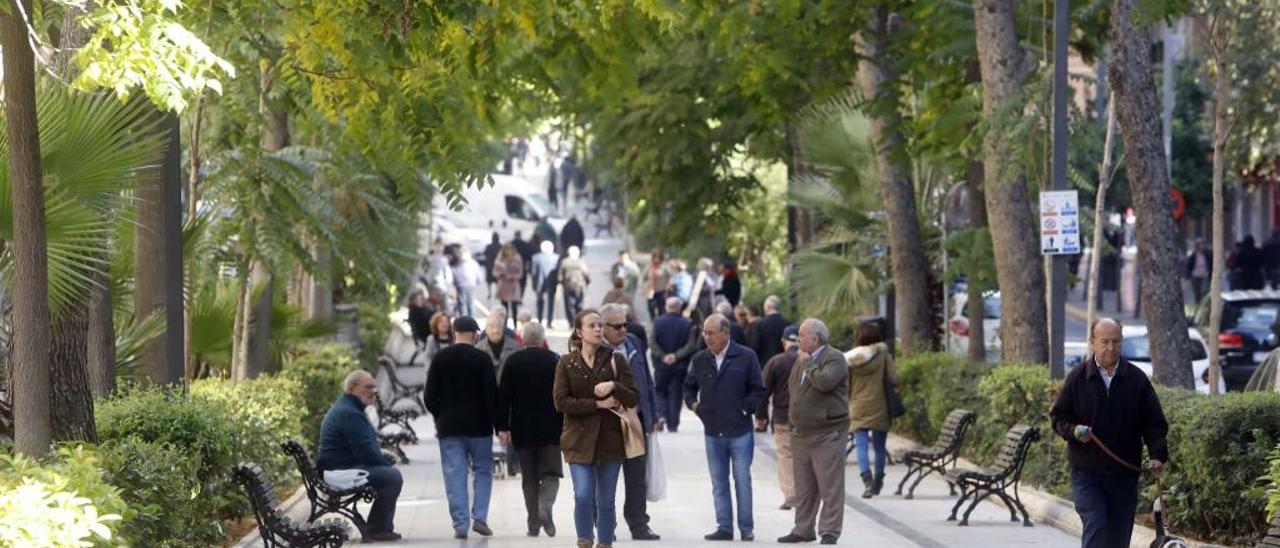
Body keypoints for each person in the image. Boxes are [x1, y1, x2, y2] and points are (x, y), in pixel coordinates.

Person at [1050, 318, 1169, 548]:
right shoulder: (1077, 377)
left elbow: (1154, 423)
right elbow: (1058, 418)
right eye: (1105, 342)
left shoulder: (1136, 380)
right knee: (1096, 523)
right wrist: (1074, 431)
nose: (1111, 348)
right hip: (1087, 473)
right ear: (1092, 342)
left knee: (1118, 536)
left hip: (1124, 474)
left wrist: (1157, 455)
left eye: (1116, 342)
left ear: (1121, 342)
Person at [553, 309, 641, 548]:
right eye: (592, 325)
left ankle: (604, 543)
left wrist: (614, 385)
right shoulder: (566, 363)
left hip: (610, 441)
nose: (598, 329)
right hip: (577, 440)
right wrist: (598, 403)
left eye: (600, 325)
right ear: (579, 332)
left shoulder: (615, 359)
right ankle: (584, 540)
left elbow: (633, 397)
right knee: (582, 495)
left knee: (606, 500)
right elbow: (560, 402)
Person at [683, 314, 765, 542]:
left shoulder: (746, 356)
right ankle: (724, 527)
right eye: (704, 333)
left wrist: (745, 409)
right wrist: (695, 406)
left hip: (740, 430)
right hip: (712, 431)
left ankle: (746, 528)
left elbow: (758, 389)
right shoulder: (700, 359)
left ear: (726, 334)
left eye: (711, 333)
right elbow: (688, 387)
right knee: (719, 482)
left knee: (742, 480)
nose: (706, 337)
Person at [423, 316, 499, 539]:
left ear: (454, 332)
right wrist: (497, 423)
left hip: (449, 428)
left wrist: (440, 415)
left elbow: (429, 396)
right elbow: (491, 396)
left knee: (454, 474)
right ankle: (480, 517)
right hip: (480, 428)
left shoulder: (440, 357)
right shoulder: (483, 359)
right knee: (483, 471)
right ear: (475, 334)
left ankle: (460, 523)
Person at [779, 318, 849, 545]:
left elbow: (825, 382)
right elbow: (794, 389)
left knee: (829, 486)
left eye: (801, 335)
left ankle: (830, 530)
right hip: (801, 433)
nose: (798, 339)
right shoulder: (802, 359)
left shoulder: (834, 358)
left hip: (827, 433)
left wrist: (808, 363)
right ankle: (803, 529)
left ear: (815, 338)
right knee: (805, 488)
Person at [315, 371, 403, 542]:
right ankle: (377, 529)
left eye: (374, 387)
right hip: (337, 472)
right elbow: (366, 452)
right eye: (368, 387)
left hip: (340, 467)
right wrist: (385, 465)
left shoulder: (350, 408)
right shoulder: (349, 413)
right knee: (391, 477)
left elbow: (366, 449)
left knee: (388, 474)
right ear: (352, 388)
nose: (373, 391)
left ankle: (379, 527)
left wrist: (382, 463)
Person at [601, 304, 662, 541]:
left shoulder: (634, 343)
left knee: (636, 477)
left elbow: (647, 379)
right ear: (604, 327)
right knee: (607, 478)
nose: (623, 330)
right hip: (608, 423)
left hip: (636, 421)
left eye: (625, 324)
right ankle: (606, 526)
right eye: (617, 326)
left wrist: (654, 413)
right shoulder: (595, 350)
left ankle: (639, 525)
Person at [497, 322, 564, 537]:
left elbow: (504, 397)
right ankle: (546, 505)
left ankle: (533, 524)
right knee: (552, 473)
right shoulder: (555, 360)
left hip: (522, 429)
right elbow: (563, 395)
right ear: (542, 338)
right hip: (551, 428)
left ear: (522, 339)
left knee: (530, 478)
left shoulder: (513, 361)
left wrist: (503, 427)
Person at [844, 323, 897, 499]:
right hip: (879, 405)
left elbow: (845, 383)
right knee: (880, 446)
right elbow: (894, 377)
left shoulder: (850, 359)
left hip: (857, 405)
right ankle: (878, 481)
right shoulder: (883, 355)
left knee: (861, 445)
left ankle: (866, 482)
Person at [755, 325, 801, 510]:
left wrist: (761, 416)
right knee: (804, 456)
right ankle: (806, 494)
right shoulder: (810, 361)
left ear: (784, 342)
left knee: (786, 456)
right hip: (808, 419)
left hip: (783, 417)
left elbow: (763, 391)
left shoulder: (776, 362)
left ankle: (791, 494)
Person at [651, 297, 695, 433]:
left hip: (661, 364)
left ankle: (661, 415)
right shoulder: (687, 323)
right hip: (679, 365)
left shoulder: (657, 322)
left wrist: (663, 356)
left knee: (660, 390)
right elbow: (691, 344)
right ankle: (673, 423)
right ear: (679, 307)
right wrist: (676, 356)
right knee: (676, 393)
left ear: (666, 306)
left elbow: (652, 342)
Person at [493, 243, 525, 328]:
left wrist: (512, 276)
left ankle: (515, 326)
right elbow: (495, 272)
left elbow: (520, 273)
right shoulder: (500, 259)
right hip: (503, 285)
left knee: (514, 308)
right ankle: (505, 326)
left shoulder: (517, 259)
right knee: (504, 308)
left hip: (513, 285)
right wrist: (500, 274)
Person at [752, 296, 791, 366]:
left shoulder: (759, 325)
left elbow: (755, 346)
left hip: (764, 365)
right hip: (785, 365)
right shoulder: (788, 324)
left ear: (768, 307)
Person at [481, 311, 519, 380]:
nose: (496, 330)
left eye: (499, 327)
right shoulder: (478, 349)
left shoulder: (516, 347)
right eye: (492, 327)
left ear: (503, 328)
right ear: (486, 330)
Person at [531, 240, 560, 326]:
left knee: (539, 302)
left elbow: (533, 273)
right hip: (552, 283)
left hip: (539, 283)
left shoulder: (535, 257)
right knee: (551, 303)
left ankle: (540, 320)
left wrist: (533, 284)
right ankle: (549, 322)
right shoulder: (556, 257)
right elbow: (557, 273)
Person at [559, 245, 591, 321]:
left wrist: (560, 284)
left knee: (569, 305)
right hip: (579, 285)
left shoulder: (564, 262)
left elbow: (560, 275)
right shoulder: (581, 262)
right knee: (579, 304)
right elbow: (585, 273)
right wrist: (588, 282)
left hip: (568, 286)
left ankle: (571, 321)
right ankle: (578, 320)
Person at [452, 248, 484, 318]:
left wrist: (455, 283)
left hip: (462, 285)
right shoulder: (473, 263)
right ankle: (470, 320)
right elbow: (478, 275)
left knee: (463, 304)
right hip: (470, 285)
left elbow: (455, 275)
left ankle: (464, 320)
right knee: (470, 303)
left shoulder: (459, 264)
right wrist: (477, 282)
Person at [644, 250, 670, 321]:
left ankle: (661, 322)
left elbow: (671, 276)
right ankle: (653, 320)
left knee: (661, 308)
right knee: (650, 307)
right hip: (651, 291)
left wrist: (668, 284)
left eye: (658, 257)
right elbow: (643, 277)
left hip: (661, 290)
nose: (656, 259)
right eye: (655, 257)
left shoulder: (664, 267)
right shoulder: (649, 266)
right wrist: (644, 287)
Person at [484, 232, 502, 299]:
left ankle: (489, 293)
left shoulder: (489, 246)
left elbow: (485, 253)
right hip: (498, 266)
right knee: (498, 280)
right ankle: (497, 292)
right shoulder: (500, 246)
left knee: (489, 281)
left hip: (490, 265)